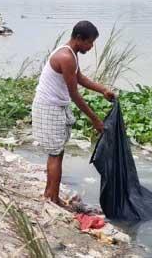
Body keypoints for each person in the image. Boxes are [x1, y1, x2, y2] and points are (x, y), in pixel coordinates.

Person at [32, 20, 115, 205]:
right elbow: (75, 94)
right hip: (49, 107)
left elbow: (79, 78)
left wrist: (102, 90)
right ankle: (52, 198)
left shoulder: (71, 53)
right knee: (55, 153)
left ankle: (50, 193)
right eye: (90, 42)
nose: (91, 46)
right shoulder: (66, 57)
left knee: (58, 152)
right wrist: (95, 120)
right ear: (79, 38)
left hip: (58, 105)